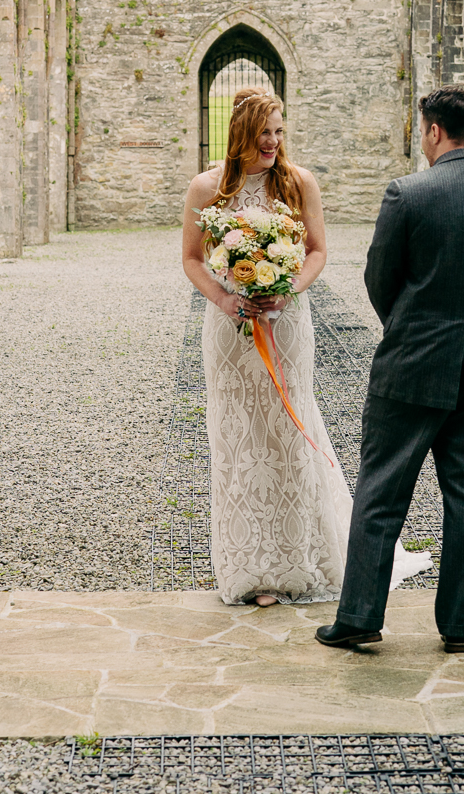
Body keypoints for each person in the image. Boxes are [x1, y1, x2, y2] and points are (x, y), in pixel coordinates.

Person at [180, 87, 433, 607]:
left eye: (278, 131)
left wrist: (287, 290)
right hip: (229, 331)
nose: (272, 142)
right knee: (238, 441)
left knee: (287, 433)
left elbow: (317, 252)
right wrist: (225, 299)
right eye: (263, 132)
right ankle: (250, 567)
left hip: (286, 324)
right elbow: (191, 259)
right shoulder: (206, 189)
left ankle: (294, 562)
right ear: (241, 135)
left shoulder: (299, 184)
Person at [317, 83, 464, 653]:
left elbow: (379, 278)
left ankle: (362, 614)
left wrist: (407, 325)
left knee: (382, 491)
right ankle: (459, 626)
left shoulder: (406, 193)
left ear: (434, 130)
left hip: (412, 364)